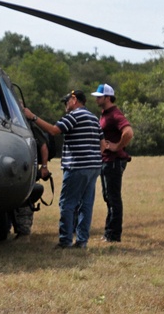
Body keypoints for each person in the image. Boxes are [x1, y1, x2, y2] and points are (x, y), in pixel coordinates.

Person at [24, 90, 103, 249]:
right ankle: (82, 241)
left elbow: (53, 131)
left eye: (66, 101)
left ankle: (65, 240)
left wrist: (32, 117)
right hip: (93, 167)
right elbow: (102, 143)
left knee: (67, 203)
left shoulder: (74, 116)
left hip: (77, 166)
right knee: (86, 204)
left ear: (74, 99)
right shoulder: (94, 118)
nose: (65, 105)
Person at [92, 83, 134, 243]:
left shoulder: (114, 114)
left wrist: (117, 146)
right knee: (108, 197)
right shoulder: (105, 114)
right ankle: (109, 233)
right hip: (107, 161)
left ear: (108, 98)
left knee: (113, 198)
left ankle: (114, 235)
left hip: (113, 161)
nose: (96, 99)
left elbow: (128, 132)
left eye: (99, 96)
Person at [10, 140, 50, 242]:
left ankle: (24, 232)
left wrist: (44, 167)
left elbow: (43, 144)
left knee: (25, 195)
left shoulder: (30, 125)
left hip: (22, 170)